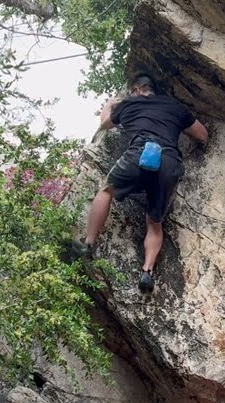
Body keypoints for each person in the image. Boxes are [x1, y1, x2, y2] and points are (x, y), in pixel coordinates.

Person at [69, 73, 208, 293]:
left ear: (136, 90)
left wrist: (108, 104)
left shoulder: (129, 104)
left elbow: (105, 123)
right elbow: (202, 134)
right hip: (168, 162)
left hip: (139, 155)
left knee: (106, 192)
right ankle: (147, 272)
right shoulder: (174, 106)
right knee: (155, 221)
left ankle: (88, 243)